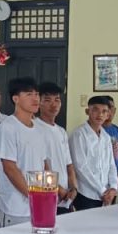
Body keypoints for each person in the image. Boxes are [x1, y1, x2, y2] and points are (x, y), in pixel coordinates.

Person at [0, 78, 45, 227]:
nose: (35, 98)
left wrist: (42, 197)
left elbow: (42, 164)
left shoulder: (39, 129)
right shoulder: (8, 127)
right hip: (15, 206)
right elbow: (10, 168)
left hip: (37, 204)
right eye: (29, 94)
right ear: (15, 98)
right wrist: (32, 195)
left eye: (37, 94)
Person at [68, 97, 118, 211]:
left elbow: (111, 165)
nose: (100, 114)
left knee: (103, 227)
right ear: (87, 111)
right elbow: (81, 167)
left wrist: (113, 188)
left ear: (108, 114)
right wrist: (102, 190)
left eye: (104, 111)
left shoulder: (106, 137)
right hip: (86, 194)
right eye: (95, 110)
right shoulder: (79, 135)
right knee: (86, 227)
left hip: (106, 195)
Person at [36, 83, 77, 215]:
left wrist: (74, 189)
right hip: (45, 193)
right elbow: (42, 165)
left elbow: (69, 165)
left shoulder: (61, 131)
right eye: (47, 100)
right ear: (39, 103)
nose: (54, 105)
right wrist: (58, 189)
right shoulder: (34, 128)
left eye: (57, 100)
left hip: (65, 197)